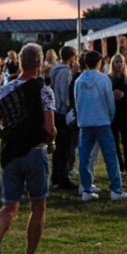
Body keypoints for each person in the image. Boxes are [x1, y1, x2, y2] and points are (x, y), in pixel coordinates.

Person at [0, 43, 56, 254]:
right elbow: (49, 128)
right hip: (35, 152)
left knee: (9, 206)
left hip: (10, 155)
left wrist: (11, 137)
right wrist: (52, 141)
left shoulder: (4, 89)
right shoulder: (43, 91)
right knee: (37, 206)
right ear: (38, 63)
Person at [74, 51, 127, 201]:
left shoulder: (79, 81)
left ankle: (86, 188)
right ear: (99, 63)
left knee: (84, 157)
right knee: (110, 156)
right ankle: (116, 189)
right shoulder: (104, 79)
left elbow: (77, 102)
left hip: (85, 122)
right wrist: (109, 117)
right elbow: (109, 101)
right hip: (102, 120)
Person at [49, 47, 78, 191]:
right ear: (72, 57)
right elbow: (65, 92)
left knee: (58, 147)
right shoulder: (65, 72)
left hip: (56, 111)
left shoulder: (55, 70)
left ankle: (56, 176)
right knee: (65, 146)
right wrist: (67, 107)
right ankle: (62, 177)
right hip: (62, 112)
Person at [109, 53, 127, 177]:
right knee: (114, 142)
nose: (119, 64)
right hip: (113, 113)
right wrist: (113, 96)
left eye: (121, 62)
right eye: (116, 62)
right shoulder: (109, 79)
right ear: (113, 64)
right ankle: (119, 167)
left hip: (125, 113)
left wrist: (123, 96)